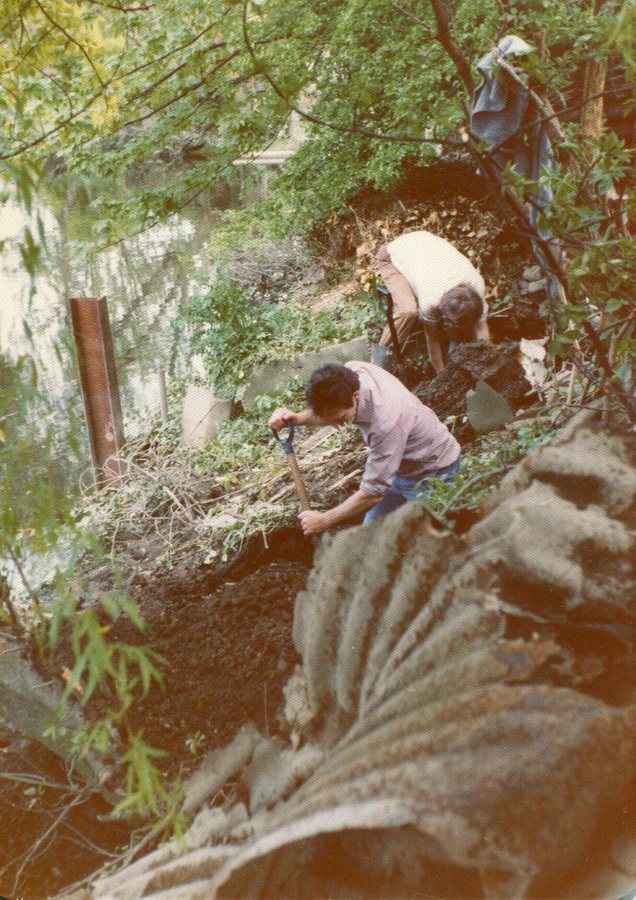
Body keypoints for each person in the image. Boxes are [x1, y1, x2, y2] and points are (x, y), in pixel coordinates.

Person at [268, 361, 460, 537]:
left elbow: (373, 492)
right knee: (369, 538)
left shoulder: (385, 422)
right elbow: (330, 412)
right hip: (396, 471)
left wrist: (324, 520)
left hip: (433, 473)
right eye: (329, 419)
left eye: (341, 419)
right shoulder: (352, 372)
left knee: (424, 546)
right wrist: (297, 419)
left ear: (355, 395)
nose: (334, 425)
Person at [375, 230, 491, 373]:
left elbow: (481, 326)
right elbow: (432, 338)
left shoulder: (476, 285)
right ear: (441, 308)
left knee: (461, 321)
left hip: (424, 244)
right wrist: (441, 374)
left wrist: (487, 360)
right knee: (408, 311)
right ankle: (378, 363)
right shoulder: (431, 299)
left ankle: (455, 348)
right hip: (392, 256)